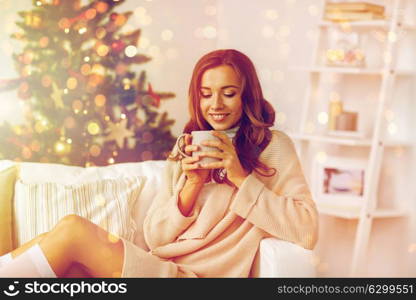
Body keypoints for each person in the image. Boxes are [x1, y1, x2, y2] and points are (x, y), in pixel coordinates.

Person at [0, 49, 318, 278]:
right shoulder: (187, 145)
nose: (215, 105)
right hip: (163, 267)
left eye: (229, 93)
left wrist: (240, 177)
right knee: (52, 248)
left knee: (72, 229)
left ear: (247, 96)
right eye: (206, 94)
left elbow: (307, 230)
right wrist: (191, 186)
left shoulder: (272, 146)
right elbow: (156, 238)